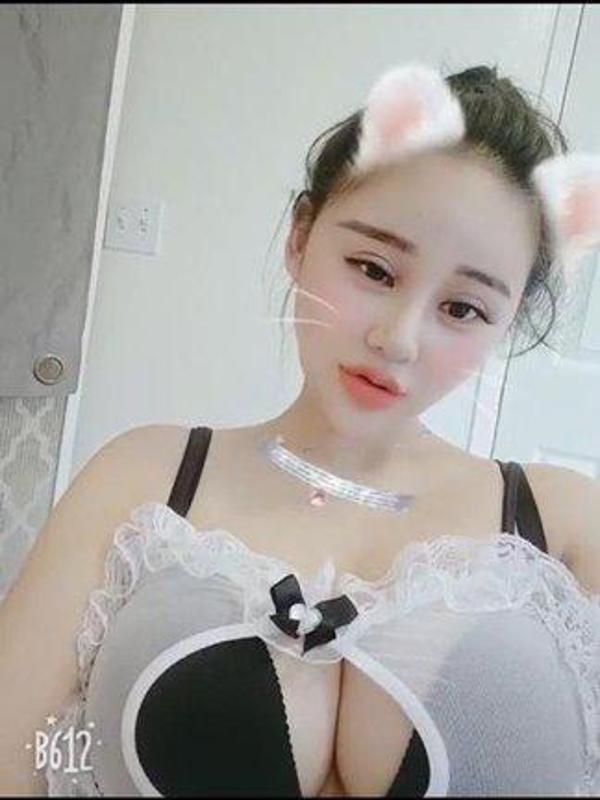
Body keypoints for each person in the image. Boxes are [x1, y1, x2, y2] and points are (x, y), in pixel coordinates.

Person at [1, 62, 599, 798]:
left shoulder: (563, 528)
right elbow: (14, 757)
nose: (399, 338)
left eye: (463, 309)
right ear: (300, 237)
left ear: (504, 325)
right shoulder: (144, 479)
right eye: (374, 270)